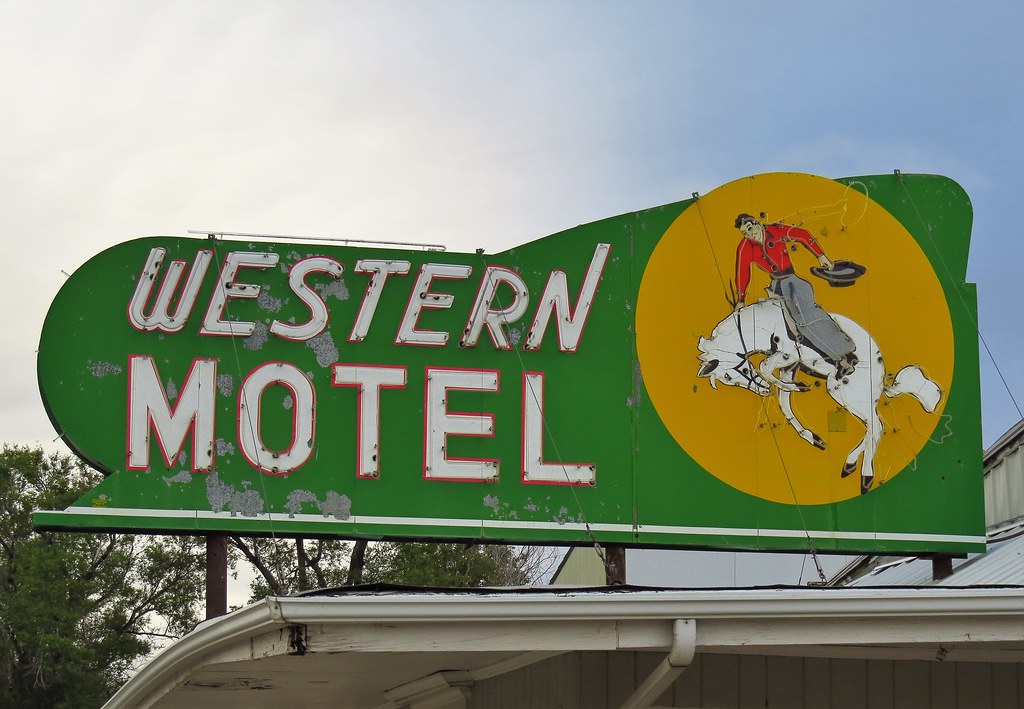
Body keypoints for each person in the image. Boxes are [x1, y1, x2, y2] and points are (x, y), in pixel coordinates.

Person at [733, 213, 858, 376]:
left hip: (792, 283)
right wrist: (741, 299)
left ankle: (842, 356)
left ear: (756, 223)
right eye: (745, 233)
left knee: (806, 322)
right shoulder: (745, 247)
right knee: (788, 330)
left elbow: (803, 235)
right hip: (775, 287)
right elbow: (742, 273)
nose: (750, 234)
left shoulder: (775, 231)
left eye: (750, 228)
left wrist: (821, 255)